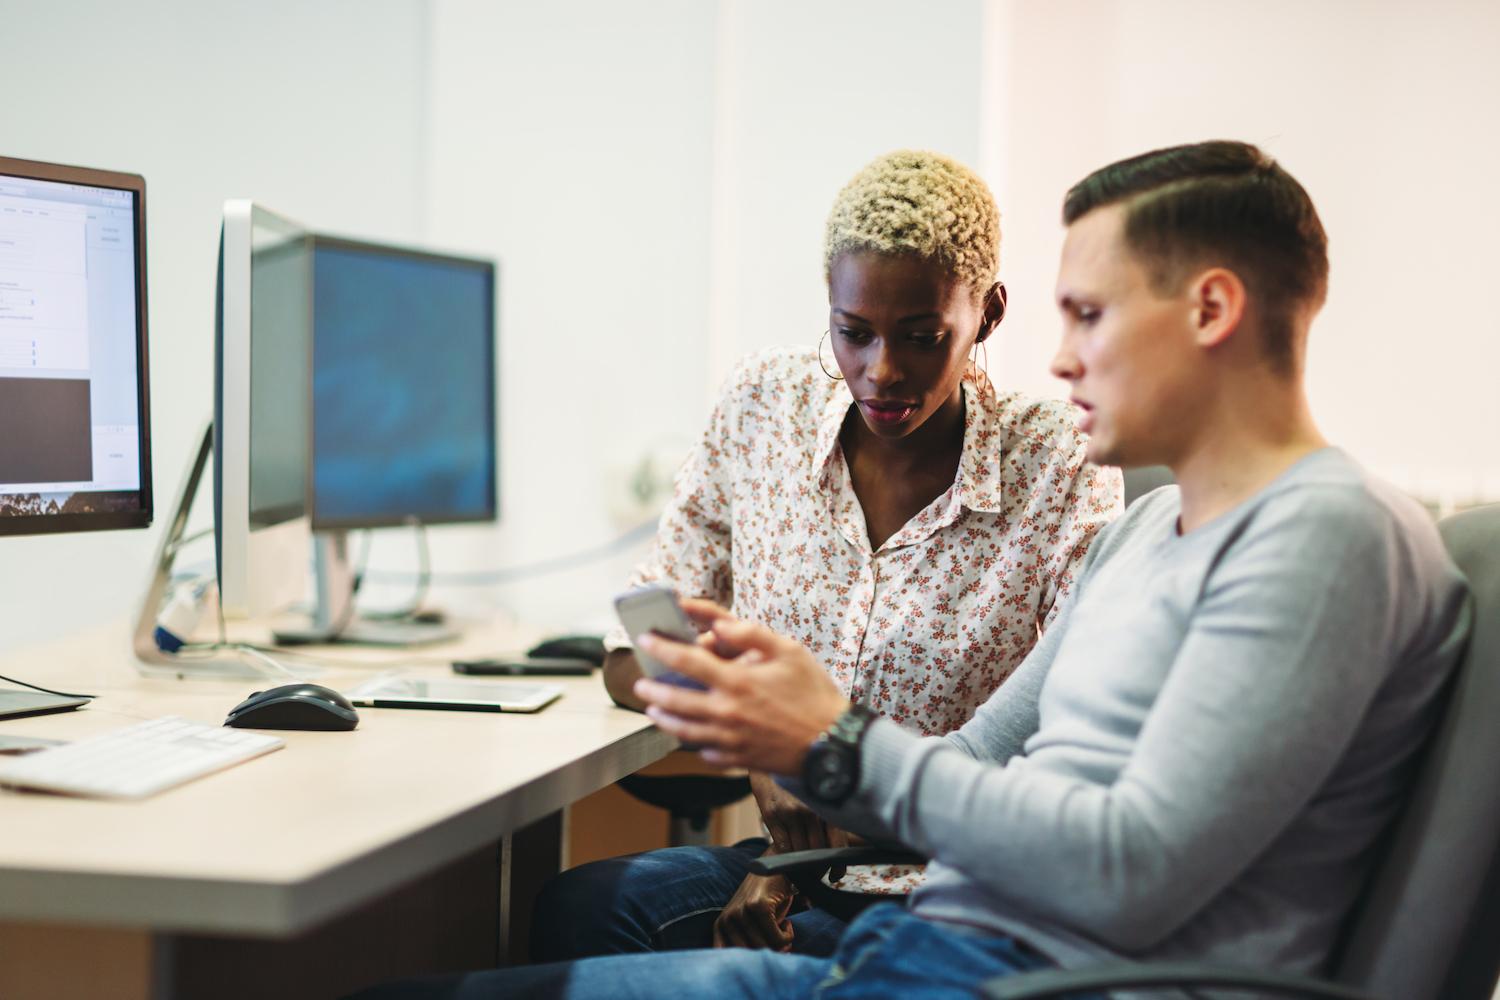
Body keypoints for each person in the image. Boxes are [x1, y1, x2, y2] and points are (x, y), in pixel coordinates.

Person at [352, 141, 1471, 1000]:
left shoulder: (1323, 538)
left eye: (1088, 315)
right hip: (947, 935)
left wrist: (832, 740)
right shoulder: (1152, 528)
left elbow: (1133, 868)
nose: (1060, 356)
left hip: (1012, 975)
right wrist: (798, 742)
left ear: (1212, 309)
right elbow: (982, 757)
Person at [537, 150, 1121, 959]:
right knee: (587, 906)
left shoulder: (1055, 459)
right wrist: (764, 751)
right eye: (853, 333)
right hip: (795, 864)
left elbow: (1063, 736)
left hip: (951, 880)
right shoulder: (763, 411)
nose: (881, 372)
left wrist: (810, 779)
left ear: (987, 315)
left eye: (923, 338)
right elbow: (631, 652)